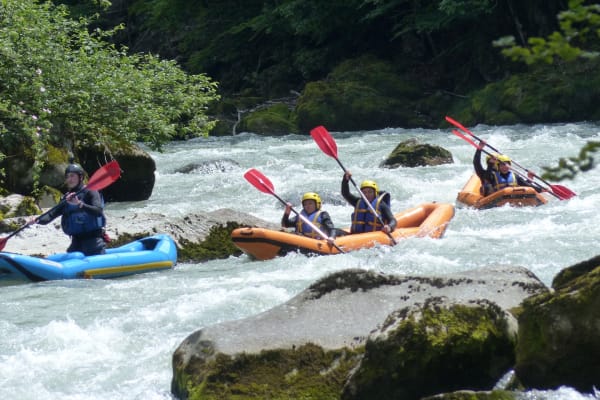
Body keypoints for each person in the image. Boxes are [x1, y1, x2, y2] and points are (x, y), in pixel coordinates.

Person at [29, 162, 107, 255]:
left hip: (94, 243)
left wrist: (80, 204)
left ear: (81, 177)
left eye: (72, 176)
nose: (69, 179)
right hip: (76, 242)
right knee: (71, 253)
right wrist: (37, 220)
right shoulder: (66, 198)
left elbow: (98, 211)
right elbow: (51, 215)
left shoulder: (91, 192)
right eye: (67, 176)